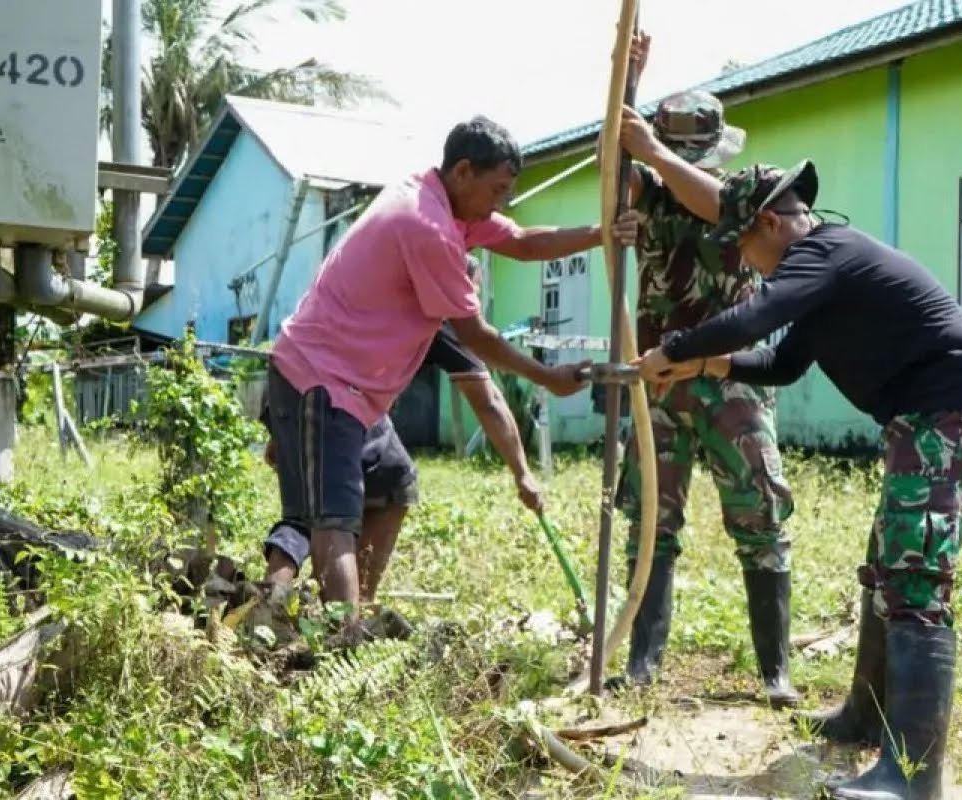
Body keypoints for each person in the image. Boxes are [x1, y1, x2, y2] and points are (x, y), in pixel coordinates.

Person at [625, 139, 962, 799]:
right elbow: (783, 362)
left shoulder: (824, 252)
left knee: (914, 578)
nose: (744, 263)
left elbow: (755, 317)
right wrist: (707, 364)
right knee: (886, 567)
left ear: (769, 225)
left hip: (952, 415)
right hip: (927, 420)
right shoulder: (826, 270)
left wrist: (673, 347)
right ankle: (865, 716)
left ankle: (913, 780)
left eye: (742, 247)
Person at [266, 114, 637, 641]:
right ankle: (340, 646)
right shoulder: (427, 227)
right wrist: (546, 376)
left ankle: (353, 615)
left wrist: (603, 235)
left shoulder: (449, 205)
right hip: (320, 379)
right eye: (498, 189)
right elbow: (477, 334)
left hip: (356, 391)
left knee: (393, 484)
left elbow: (526, 242)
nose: (501, 203)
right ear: (463, 171)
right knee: (334, 519)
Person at [599, 33, 798, 708]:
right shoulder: (647, 194)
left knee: (761, 514)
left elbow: (718, 205)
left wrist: (652, 151)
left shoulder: (744, 189)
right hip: (660, 378)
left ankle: (776, 672)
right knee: (652, 519)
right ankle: (643, 660)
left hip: (730, 378)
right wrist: (626, 83)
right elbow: (611, 166)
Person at [260, 255, 543, 611]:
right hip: (324, 391)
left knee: (394, 477)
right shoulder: (438, 314)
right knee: (314, 512)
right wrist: (523, 473)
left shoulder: (395, 290)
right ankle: (289, 618)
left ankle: (358, 600)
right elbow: (488, 402)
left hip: (320, 388)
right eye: (471, 293)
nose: (472, 305)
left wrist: (280, 431)